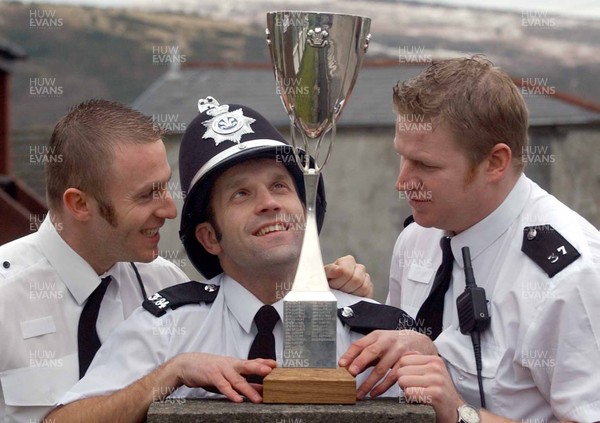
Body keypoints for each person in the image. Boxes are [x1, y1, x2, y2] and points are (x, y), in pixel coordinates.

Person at [46, 98, 431, 422]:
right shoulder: (167, 327)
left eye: (280, 185)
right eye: (241, 195)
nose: (269, 203)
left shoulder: (379, 335)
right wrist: (170, 376)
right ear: (210, 237)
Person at [344, 55, 600, 422]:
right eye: (402, 157)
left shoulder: (569, 277)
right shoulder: (417, 239)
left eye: (426, 166)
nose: (401, 182)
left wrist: (461, 414)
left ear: (495, 162)